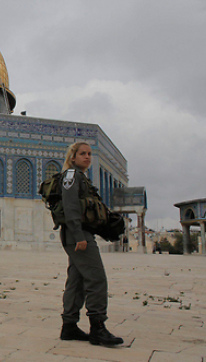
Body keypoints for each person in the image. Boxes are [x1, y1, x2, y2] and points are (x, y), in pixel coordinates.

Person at [58, 142, 123, 346]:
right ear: (73, 157)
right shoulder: (71, 176)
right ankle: (98, 328)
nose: (87, 157)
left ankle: (69, 327)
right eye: (82, 154)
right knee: (96, 279)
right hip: (78, 234)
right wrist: (79, 236)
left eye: (89, 154)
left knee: (76, 282)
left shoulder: (80, 177)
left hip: (80, 233)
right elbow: (70, 208)